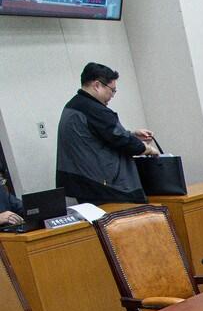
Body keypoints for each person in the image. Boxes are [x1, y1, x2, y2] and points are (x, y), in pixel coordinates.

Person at [55, 61, 156, 204]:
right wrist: (147, 149)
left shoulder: (73, 106)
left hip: (83, 183)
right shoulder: (94, 109)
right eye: (112, 90)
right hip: (103, 185)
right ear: (97, 85)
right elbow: (120, 140)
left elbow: (97, 137)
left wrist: (132, 135)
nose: (112, 95)